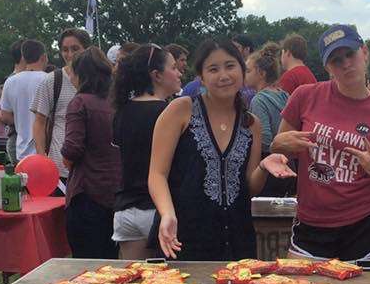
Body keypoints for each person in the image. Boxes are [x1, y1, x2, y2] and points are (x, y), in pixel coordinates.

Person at [149, 38, 294, 260]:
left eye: (230, 66)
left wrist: (263, 167)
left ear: (242, 70)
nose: (223, 75)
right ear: (201, 77)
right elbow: (157, 174)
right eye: (213, 69)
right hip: (183, 236)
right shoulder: (181, 110)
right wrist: (167, 213)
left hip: (237, 240)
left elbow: (249, 187)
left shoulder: (251, 124)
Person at [271, 24, 370, 261]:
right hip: (311, 222)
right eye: (335, 59)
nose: (345, 64)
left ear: (364, 52)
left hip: (366, 225)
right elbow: (278, 148)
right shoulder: (305, 96)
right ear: (327, 67)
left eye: (350, 54)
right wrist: (280, 146)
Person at [112, 44, 184, 260]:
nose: (180, 72)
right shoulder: (170, 114)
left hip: (126, 212)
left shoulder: (121, 112)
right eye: (174, 67)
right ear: (157, 75)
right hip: (160, 212)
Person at [61, 47, 120, 259]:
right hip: (115, 193)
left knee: (87, 265)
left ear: (81, 74)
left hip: (86, 193)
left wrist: (64, 156)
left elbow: (72, 148)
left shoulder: (80, 102)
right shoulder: (116, 104)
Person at [32, 28, 90, 192]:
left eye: (75, 48)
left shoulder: (98, 81)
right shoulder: (52, 80)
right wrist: (41, 157)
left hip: (91, 171)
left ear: (86, 49)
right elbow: (39, 122)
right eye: (65, 49)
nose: (70, 54)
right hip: (59, 171)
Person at [245, 42, 293, 198]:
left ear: (261, 73)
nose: (245, 74)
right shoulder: (285, 95)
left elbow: (264, 140)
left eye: (248, 70)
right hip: (289, 164)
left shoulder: (258, 100)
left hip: (269, 169)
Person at [0, 39, 47, 163]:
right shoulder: (50, 79)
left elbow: (5, 116)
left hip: (21, 150)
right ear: (44, 57)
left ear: (24, 57)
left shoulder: (10, 81)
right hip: (46, 149)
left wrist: (21, 119)